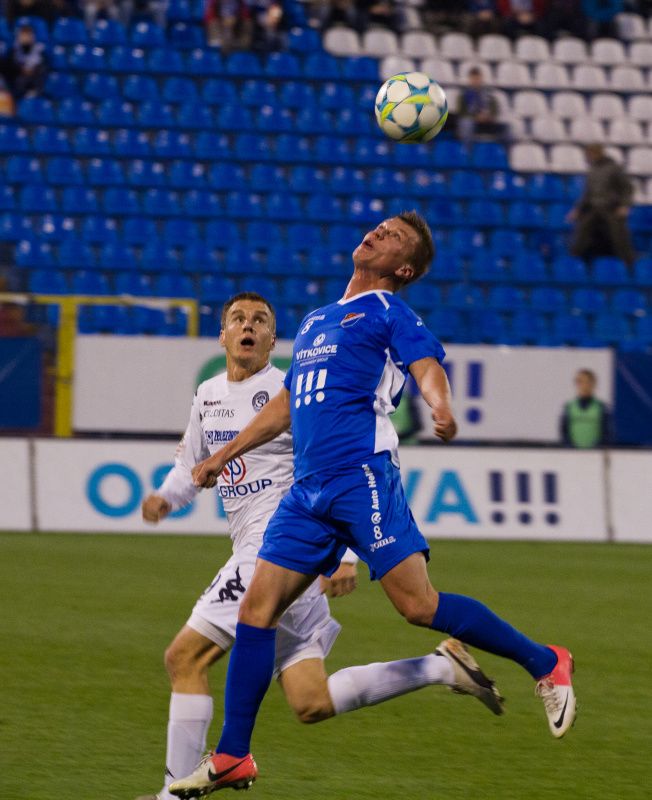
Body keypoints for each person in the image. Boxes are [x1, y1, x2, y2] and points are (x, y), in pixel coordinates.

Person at [169, 213, 577, 798]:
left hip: (361, 476)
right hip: (306, 491)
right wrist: (221, 454)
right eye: (378, 228)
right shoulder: (315, 320)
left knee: (417, 606)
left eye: (392, 237)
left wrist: (440, 405)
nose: (376, 234)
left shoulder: (388, 309)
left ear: (402, 268)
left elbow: (426, 363)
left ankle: (547, 662)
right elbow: (287, 406)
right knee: (256, 611)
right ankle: (234, 755)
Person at [137, 291, 504, 800]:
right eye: (238, 319)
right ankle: (441, 666)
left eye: (260, 320)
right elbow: (192, 465)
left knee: (185, 659)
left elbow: (338, 470)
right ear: (222, 335)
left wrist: (346, 554)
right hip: (279, 563)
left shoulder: (293, 394)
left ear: (272, 338)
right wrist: (165, 497)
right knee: (311, 702)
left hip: (279, 551)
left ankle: (171, 795)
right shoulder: (208, 394)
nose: (248, 326)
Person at [568, 144, 635, 267]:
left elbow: (627, 188)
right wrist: (577, 210)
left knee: (618, 236)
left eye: (589, 154)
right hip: (593, 208)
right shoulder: (592, 170)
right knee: (582, 233)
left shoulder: (614, 168)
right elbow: (587, 193)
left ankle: (628, 265)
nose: (587, 157)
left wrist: (625, 205)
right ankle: (574, 261)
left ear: (596, 153)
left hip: (610, 207)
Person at [560, 368, 612, 448]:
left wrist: (594, 449)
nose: (584, 385)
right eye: (580, 382)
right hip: (573, 455)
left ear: (593, 384)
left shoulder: (601, 408)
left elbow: (607, 434)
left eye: (587, 382)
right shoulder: (569, 407)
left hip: (595, 455)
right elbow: (564, 433)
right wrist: (571, 448)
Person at [455, 66, 506, 145]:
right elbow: (461, 112)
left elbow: (494, 109)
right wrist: (476, 117)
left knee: (506, 128)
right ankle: (467, 151)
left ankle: (501, 153)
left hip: (488, 120)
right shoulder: (463, 96)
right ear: (470, 79)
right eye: (474, 79)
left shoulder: (488, 95)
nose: (476, 81)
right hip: (472, 121)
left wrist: (489, 116)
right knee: (466, 123)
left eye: (478, 78)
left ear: (481, 79)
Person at [0, 24, 47, 100]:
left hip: (34, 86)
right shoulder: (12, 52)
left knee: (42, 71)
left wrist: (33, 70)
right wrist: (21, 69)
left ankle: (34, 92)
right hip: (16, 88)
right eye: (23, 35)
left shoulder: (40, 51)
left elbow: (43, 69)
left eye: (28, 35)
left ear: (33, 37)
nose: (25, 38)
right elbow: (8, 69)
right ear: (18, 37)